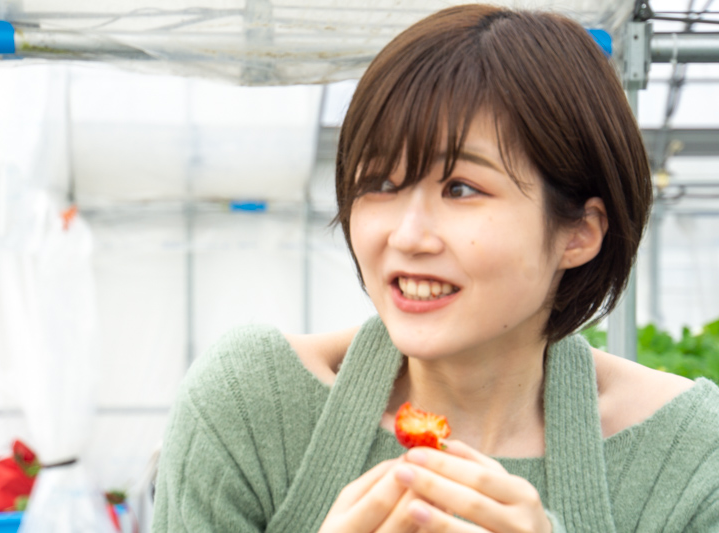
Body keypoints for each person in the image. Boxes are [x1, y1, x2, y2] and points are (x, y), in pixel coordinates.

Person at [152, 5, 719, 532]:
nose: (406, 235)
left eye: (461, 188)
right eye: (380, 183)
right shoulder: (252, 406)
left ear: (580, 232)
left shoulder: (689, 455)